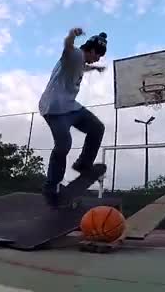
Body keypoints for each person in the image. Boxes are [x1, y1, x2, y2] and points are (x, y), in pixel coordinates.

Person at [38, 27, 107, 207]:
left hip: (69, 107)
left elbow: (84, 67)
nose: (97, 59)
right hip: (53, 108)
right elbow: (68, 48)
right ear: (91, 50)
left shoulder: (81, 62)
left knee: (97, 128)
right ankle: (51, 188)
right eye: (97, 56)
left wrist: (96, 68)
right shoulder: (75, 54)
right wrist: (71, 35)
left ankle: (83, 164)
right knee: (63, 145)